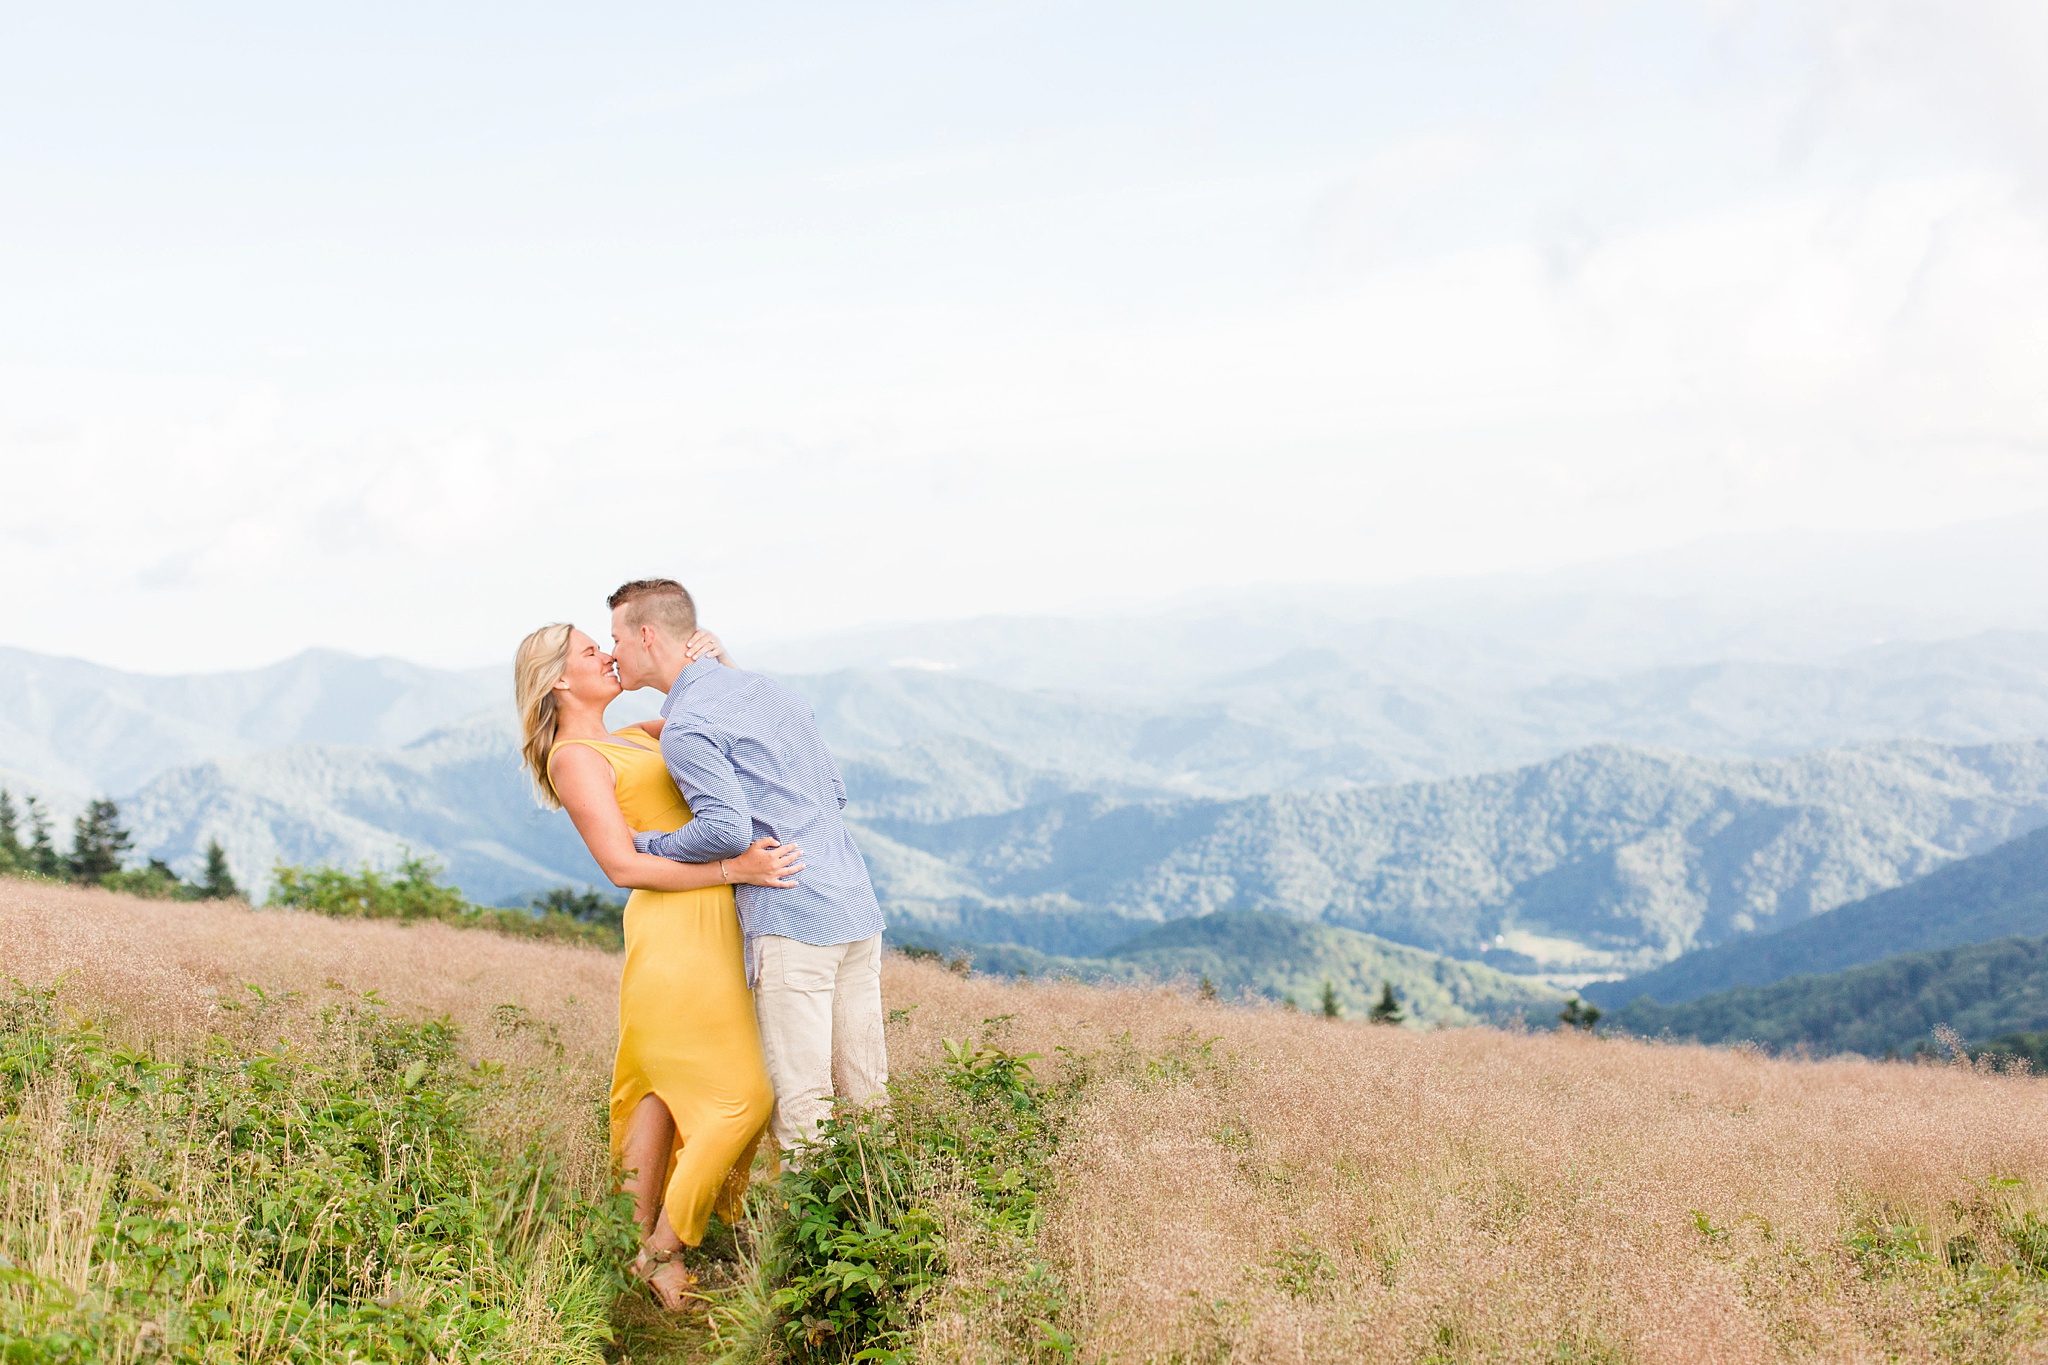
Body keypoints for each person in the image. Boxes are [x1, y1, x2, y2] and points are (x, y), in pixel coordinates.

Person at [513, 621, 800, 1311]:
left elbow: (715, 716)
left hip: (710, 928)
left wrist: (712, 656)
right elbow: (620, 864)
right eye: (590, 651)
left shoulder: (637, 734)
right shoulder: (574, 757)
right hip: (673, 938)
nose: (608, 655)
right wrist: (736, 867)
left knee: (660, 1095)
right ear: (558, 678)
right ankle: (662, 1249)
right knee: (747, 1096)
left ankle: (628, 1257)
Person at [607, 578, 889, 1159]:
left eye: (615, 638)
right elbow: (833, 792)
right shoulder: (768, 689)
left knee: (805, 1107)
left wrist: (650, 846)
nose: (612, 653)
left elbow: (725, 831)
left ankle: (817, 1250)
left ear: (646, 634)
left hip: (790, 916)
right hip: (855, 907)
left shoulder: (686, 726)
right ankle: (886, 1226)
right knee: (868, 1097)